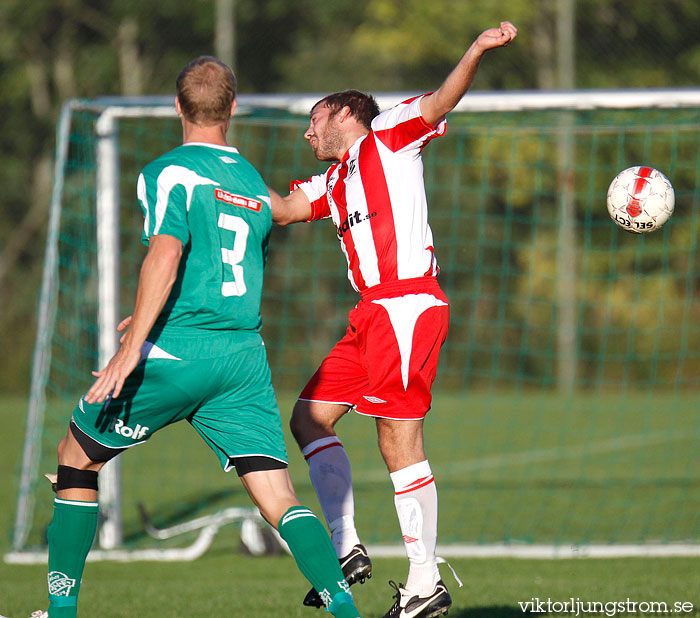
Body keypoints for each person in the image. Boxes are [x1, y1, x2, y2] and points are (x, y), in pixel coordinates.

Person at [34, 56, 362, 618]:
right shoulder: (252, 182)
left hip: (177, 351)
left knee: (74, 458)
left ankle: (61, 616)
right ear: (232, 109)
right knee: (277, 496)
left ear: (177, 106)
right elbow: (235, 248)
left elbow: (168, 249)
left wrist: (136, 341)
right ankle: (346, 611)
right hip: (243, 357)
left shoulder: (168, 171)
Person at [268, 22, 518, 618]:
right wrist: (224, 183)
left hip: (406, 305)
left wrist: (476, 49)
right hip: (369, 316)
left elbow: (439, 101)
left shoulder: (387, 134)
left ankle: (425, 582)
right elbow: (281, 209)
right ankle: (345, 549)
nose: (308, 132)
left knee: (397, 438)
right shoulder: (333, 180)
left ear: (347, 112)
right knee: (309, 417)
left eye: (315, 118)